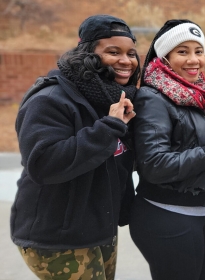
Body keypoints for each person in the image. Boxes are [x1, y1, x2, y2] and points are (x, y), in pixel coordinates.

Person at [12, 14, 140, 279]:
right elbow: (43, 164)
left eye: (131, 53)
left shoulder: (112, 98)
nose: (126, 61)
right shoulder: (50, 99)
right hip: (58, 236)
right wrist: (109, 127)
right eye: (113, 52)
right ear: (88, 53)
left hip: (98, 228)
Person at [130, 19, 205, 280]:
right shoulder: (153, 97)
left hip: (201, 214)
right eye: (182, 51)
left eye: (198, 51)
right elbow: (155, 164)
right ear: (164, 57)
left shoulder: (195, 95)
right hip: (168, 216)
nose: (194, 60)